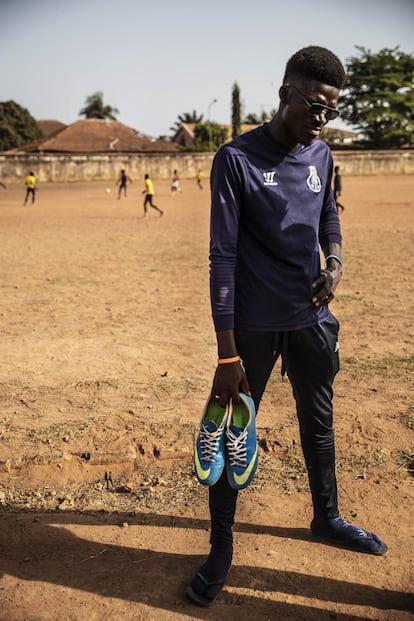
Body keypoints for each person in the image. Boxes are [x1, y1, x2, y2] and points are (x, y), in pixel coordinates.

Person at [186, 46, 388, 608]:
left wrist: (336, 263)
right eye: (313, 106)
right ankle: (221, 548)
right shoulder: (236, 159)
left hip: (312, 322)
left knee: (318, 423)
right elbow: (221, 256)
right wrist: (227, 354)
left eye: (330, 111)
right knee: (230, 436)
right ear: (284, 94)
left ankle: (326, 516)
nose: (320, 120)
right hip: (251, 327)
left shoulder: (320, 155)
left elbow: (329, 213)